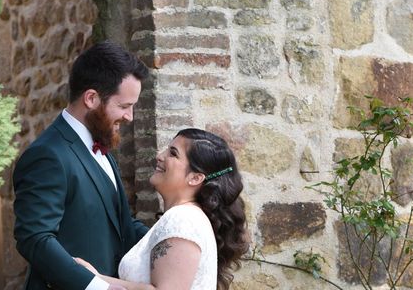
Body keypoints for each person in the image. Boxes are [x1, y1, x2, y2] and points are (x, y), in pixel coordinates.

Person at [13, 41, 150, 290]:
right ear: (91, 98)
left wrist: (176, 238)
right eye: (124, 106)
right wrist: (99, 287)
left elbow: (122, 226)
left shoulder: (100, 145)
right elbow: (35, 239)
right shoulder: (47, 155)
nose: (130, 117)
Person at [76, 128, 248, 290]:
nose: (159, 156)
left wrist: (96, 279)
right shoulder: (186, 216)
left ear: (195, 178)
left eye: (173, 153)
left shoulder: (183, 219)